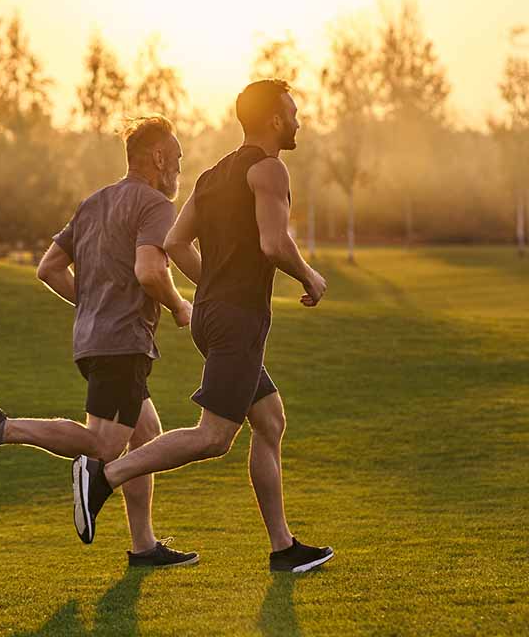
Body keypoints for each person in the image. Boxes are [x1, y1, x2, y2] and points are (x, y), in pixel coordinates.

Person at [71, 80, 333, 573]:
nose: (298, 121)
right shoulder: (270, 170)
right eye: (293, 113)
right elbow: (275, 244)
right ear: (274, 120)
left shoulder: (212, 176)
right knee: (214, 437)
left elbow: (173, 242)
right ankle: (105, 476)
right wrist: (311, 276)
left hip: (213, 316)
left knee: (270, 420)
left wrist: (211, 285)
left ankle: (283, 548)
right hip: (236, 321)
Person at [0, 116, 198, 568]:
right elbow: (150, 271)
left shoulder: (93, 203)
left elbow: (49, 269)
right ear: (159, 157)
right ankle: (2, 428)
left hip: (93, 338)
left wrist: (92, 306)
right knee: (103, 447)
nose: (179, 169)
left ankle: (144, 546)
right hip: (123, 342)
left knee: (146, 438)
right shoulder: (155, 204)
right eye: (177, 159)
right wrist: (181, 307)